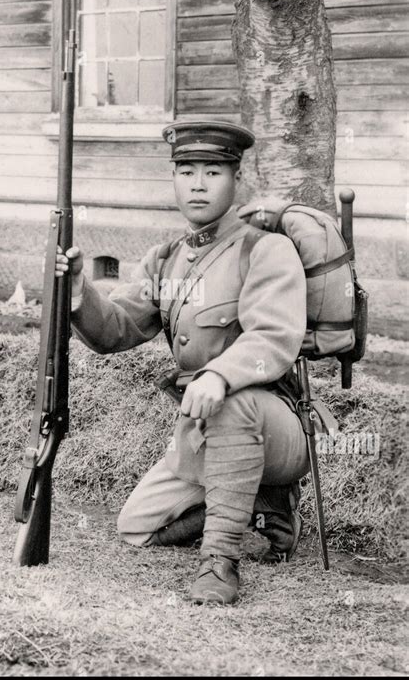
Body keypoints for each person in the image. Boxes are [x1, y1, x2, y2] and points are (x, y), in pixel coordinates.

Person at [55, 120, 331, 605]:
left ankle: (219, 563)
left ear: (236, 179)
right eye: (186, 171)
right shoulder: (164, 260)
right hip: (202, 424)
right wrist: (79, 289)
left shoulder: (265, 249)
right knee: (137, 527)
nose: (198, 184)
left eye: (213, 171)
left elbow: (273, 337)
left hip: (274, 428)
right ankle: (260, 508)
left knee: (232, 405)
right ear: (174, 179)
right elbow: (116, 328)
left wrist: (220, 375)